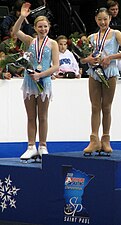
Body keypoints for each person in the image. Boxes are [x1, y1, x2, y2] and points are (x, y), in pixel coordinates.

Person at [80, 7, 121, 155]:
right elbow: (83, 58)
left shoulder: (116, 34)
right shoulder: (91, 37)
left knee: (106, 107)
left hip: (110, 72)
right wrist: (88, 59)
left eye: (105, 19)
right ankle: (94, 139)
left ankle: (106, 139)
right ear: (96, 20)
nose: (102, 22)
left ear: (110, 19)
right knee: (95, 106)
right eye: (100, 19)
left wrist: (110, 57)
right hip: (95, 72)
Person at [13, 2, 59, 160]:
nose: (43, 29)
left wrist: (41, 75)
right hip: (29, 83)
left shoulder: (53, 44)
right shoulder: (29, 41)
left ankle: (43, 146)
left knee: (43, 116)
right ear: (35, 28)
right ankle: (31, 146)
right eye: (40, 27)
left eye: (45, 26)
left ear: (49, 27)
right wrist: (22, 17)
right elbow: (15, 31)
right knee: (31, 116)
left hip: (43, 81)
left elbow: (56, 66)